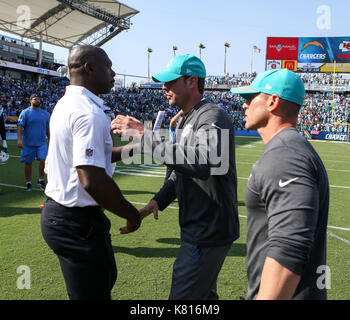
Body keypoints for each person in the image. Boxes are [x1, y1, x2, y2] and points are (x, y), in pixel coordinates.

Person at [112, 54, 239, 300]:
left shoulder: (212, 116)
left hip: (208, 230)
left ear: (192, 81)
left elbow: (204, 162)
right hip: (199, 226)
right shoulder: (185, 121)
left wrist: (143, 135)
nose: (164, 87)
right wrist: (158, 200)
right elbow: (180, 170)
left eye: (170, 81)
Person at [41, 45, 141, 300]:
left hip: (61, 215)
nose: (114, 73)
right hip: (76, 221)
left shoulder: (65, 104)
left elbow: (97, 157)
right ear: (89, 68)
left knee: (97, 286)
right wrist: (131, 215)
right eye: (108, 67)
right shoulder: (89, 113)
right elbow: (92, 179)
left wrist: (137, 148)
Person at [231, 69, 329, 300]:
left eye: (249, 98)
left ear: (273, 101)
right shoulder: (291, 147)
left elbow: (289, 248)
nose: (244, 106)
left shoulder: (285, 154)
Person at [17, 94, 50, 191]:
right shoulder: (25, 112)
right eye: (35, 99)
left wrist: (51, 140)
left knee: (43, 160)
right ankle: (28, 182)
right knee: (28, 163)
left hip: (41, 143)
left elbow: (48, 129)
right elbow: (20, 126)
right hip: (28, 144)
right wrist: (19, 139)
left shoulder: (45, 114)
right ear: (31, 101)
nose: (37, 101)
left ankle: (41, 180)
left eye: (39, 99)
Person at [164, 109, 183, 181]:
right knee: (168, 176)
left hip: (180, 153)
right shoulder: (175, 126)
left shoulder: (184, 127)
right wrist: (181, 112)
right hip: (172, 153)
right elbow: (172, 121)